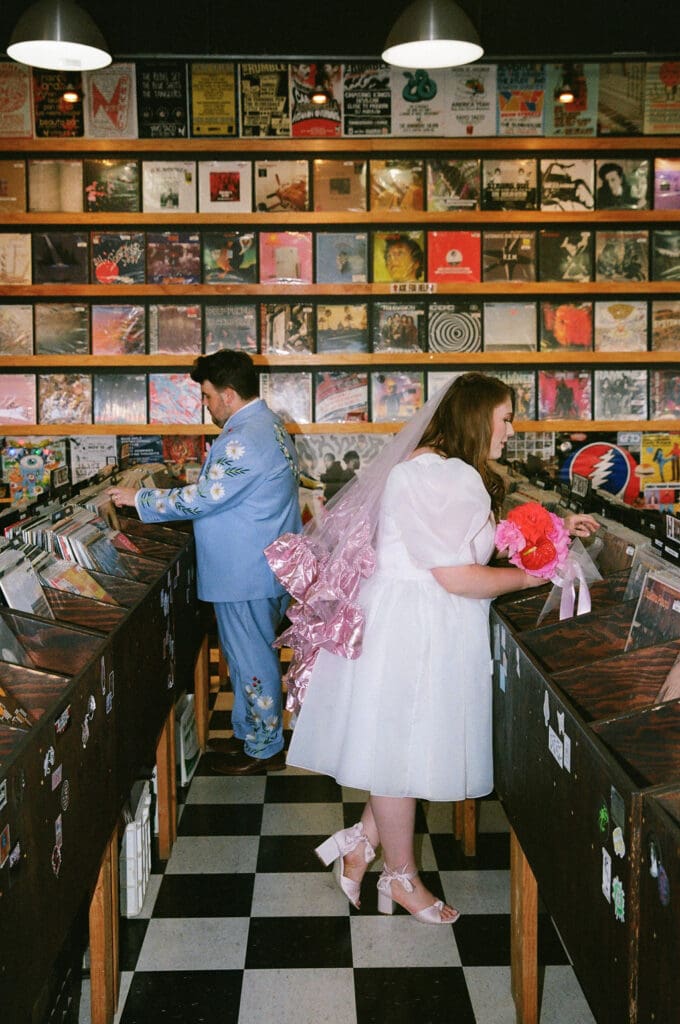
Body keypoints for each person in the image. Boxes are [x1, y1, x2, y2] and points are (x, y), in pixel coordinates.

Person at [265, 373, 598, 924]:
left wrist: (553, 532)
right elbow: (458, 575)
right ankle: (401, 878)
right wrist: (533, 578)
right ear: (477, 417)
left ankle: (361, 845)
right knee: (401, 751)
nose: (511, 431)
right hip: (418, 629)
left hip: (403, 619)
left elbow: (463, 542)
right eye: (506, 418)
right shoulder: (450, 475)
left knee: (398, 745)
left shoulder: (430, 466)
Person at [108, 349, 302, 775]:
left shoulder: (243, 439)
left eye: (208, 396)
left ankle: (265, 748)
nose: (207, 405)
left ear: (229, 395)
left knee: (250, 657)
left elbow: (203, 498)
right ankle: (249, 734)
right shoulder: (269, 425)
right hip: (260, 564)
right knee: (246, 654)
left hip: (244, 569)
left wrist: (139, 499)